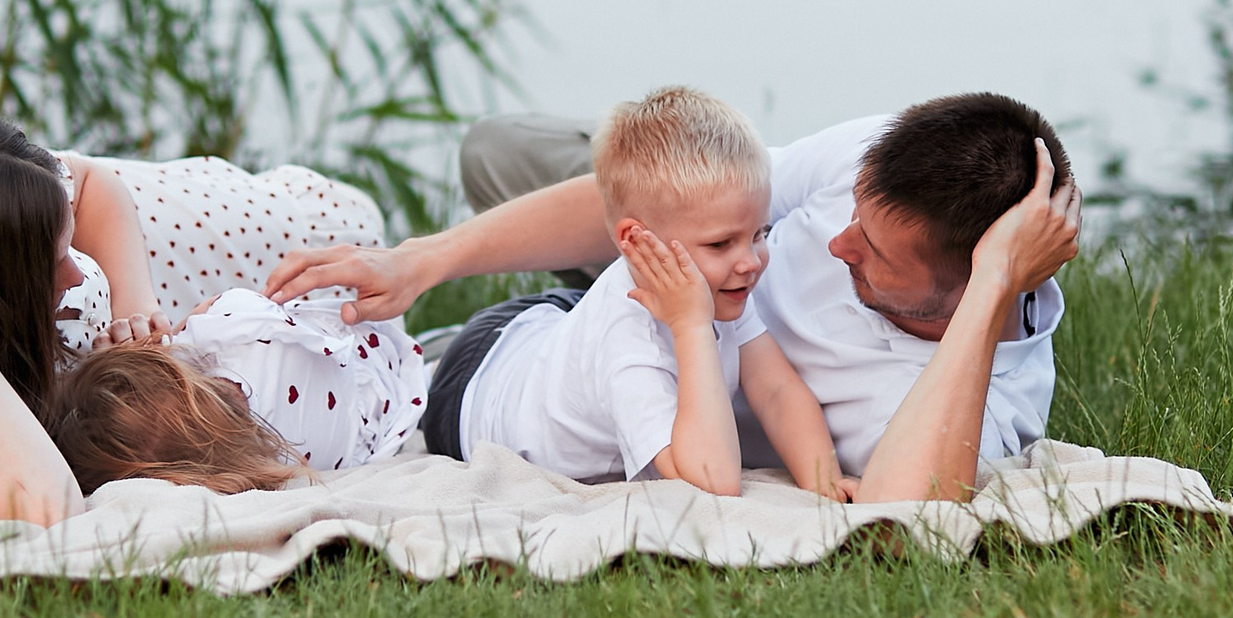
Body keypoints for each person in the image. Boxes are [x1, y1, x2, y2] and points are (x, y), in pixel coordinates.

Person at [267, 92, 1083, 503]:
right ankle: (468, 315)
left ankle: (453, 343)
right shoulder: (877, 167)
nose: (833, 243)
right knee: (501, 150)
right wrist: (425, 258)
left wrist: (993, 291)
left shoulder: (978, 409)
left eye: (870, 253)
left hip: (687, 332)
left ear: (978, 282)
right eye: (852, 218)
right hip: (661, 285)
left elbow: (912, 511)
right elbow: (699, 209)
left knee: (389, 382)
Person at [0, 110, 424, 521]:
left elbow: (87, 182)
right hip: (97, 333)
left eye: (68, 253)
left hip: (154, 233)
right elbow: (38, 506)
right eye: (54, 268)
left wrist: (136, 303)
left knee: (350, 224)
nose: (75, 277)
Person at [420, 87, 844, 498]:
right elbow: (713, 482)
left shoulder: (719, 285)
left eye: (760, 233)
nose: (750, 261)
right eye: (720, 244)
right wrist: (691, 325)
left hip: (548, 327)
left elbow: (776, 391)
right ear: (637, 241)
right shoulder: (632, 345)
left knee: (576, 336)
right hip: (469, 388)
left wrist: (823, 479)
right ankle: (430, 353)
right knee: (428, 379)